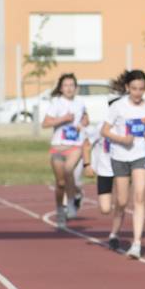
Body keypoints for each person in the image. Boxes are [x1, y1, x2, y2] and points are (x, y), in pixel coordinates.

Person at [102, 70, 145, 259]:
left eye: (141, 89)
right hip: (120, 156)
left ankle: (136, 243)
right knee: (122, 201)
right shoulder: (118, 107)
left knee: (140, 197)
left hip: (140, 156)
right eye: (134, 88)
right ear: (127, 88)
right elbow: (105, 131)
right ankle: (115, 232)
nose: (137, 92)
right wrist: (122, 139)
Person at [42, 73, 89, 229]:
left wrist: (83, 122)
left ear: (76, 88)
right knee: (60, 183)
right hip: (57, 147)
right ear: (61, 88)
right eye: (66, 85)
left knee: (69, 170)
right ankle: (60, 211)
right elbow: (45, 123)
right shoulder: (56, 103)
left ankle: (70, 203)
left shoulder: (80, 102)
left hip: (75, 146)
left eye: (71, 85)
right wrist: (63, 119)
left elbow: (85, 118)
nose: (69, 88)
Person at [82, 123, 125, 250]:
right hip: (104, 170)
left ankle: (114, 234)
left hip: (123, 169)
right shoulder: (101, 126)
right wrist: (87, 164)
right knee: (105, 209)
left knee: (121, 202)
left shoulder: (128, 124)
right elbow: (86, 144)